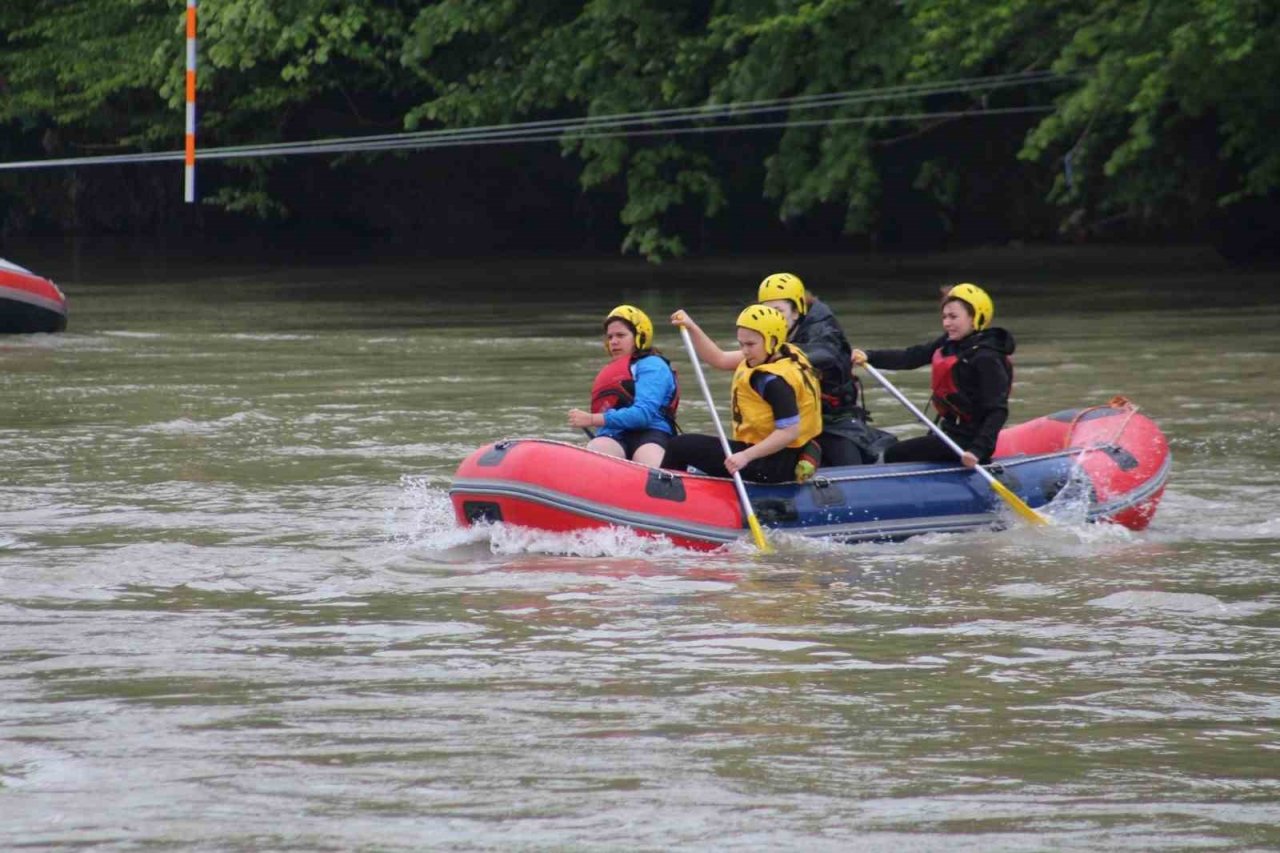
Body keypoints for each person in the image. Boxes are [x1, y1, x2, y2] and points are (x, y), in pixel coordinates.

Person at [678, 271, 892, 466]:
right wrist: (691, 327)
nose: (774, 317)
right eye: (768, 311)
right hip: (791, 425)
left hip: (834, 423)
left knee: (846, 461)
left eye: (779, 311)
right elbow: (721, 359)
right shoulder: (767, 341)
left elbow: (825, 355)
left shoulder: (819, 340)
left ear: (796, 312)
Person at [851, 283, 1014, 468]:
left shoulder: (987, 358)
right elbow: (911, 357)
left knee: (892, 454)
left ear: (976, 317)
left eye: (953, 317)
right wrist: (870, 356)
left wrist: (977, 451)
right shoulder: (950, 344)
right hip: (950, 433)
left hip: (969, 443)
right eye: (944, 317)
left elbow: (997, 411)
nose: (946, 323)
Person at [662, 304, 822, 483]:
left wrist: (745, 456)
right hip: (776, 453)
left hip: (772, 463)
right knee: (686, 444)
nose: (744, 350)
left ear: (772, 341)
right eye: (741, 344)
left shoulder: (773, 381)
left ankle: (663, 491)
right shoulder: (783, 353)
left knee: (679, 446)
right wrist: (691, 327)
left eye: (750, 344)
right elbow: (719, 359)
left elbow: (789, 432)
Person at [568, 304, 679, 466]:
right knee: (599, 447)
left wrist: (591, 419)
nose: (613, 342)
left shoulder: (653, 366)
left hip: (651, 433)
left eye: (620, 335)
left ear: (640, 336)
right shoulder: (614, 370)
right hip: (614, 434)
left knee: (647, 459)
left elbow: (643, 415)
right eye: (610, 337)